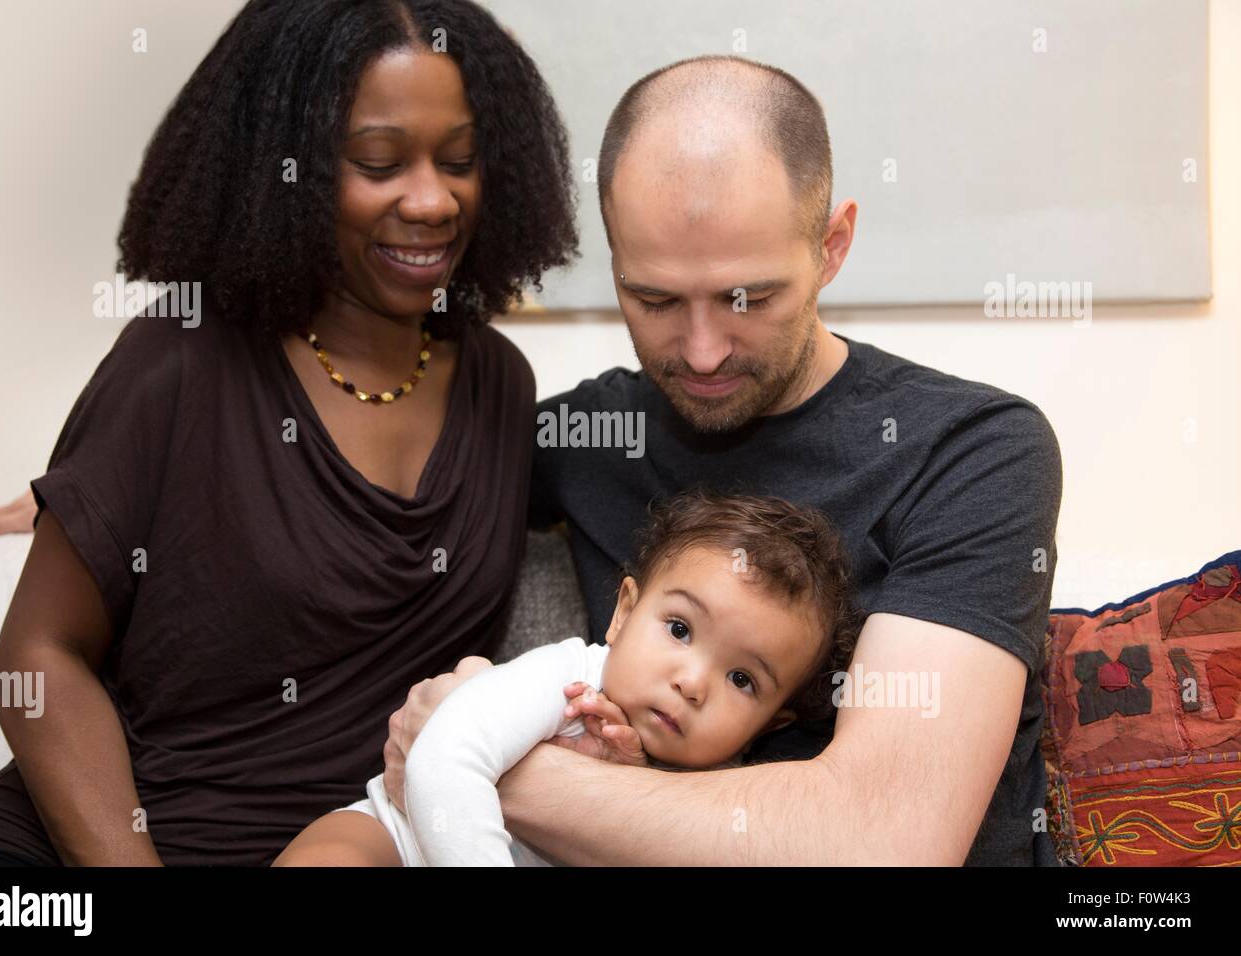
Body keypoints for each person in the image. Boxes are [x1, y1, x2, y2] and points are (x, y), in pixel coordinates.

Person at [379, 55, 1064, 866]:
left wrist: (468, 755)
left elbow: (886, 843)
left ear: (832, 245)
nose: (701, 354)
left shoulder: (973, 451)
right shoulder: (587, 439)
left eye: (751, 299)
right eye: (655, 299)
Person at [0, 0, 577, 866]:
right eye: (378, 162)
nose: (432, 200)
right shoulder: (182, 361)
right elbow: (37, 657)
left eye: (460, 160)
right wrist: (96, 498)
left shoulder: (502, 386)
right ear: (290, 170)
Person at [273, 489, 861, 865]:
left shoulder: (721, 796)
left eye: (741, 679)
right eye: (680, 630)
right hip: (398, 841)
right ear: (625, 612)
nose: (691, 682)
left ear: (774, 721)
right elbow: (445, 757)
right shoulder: (570, 677)